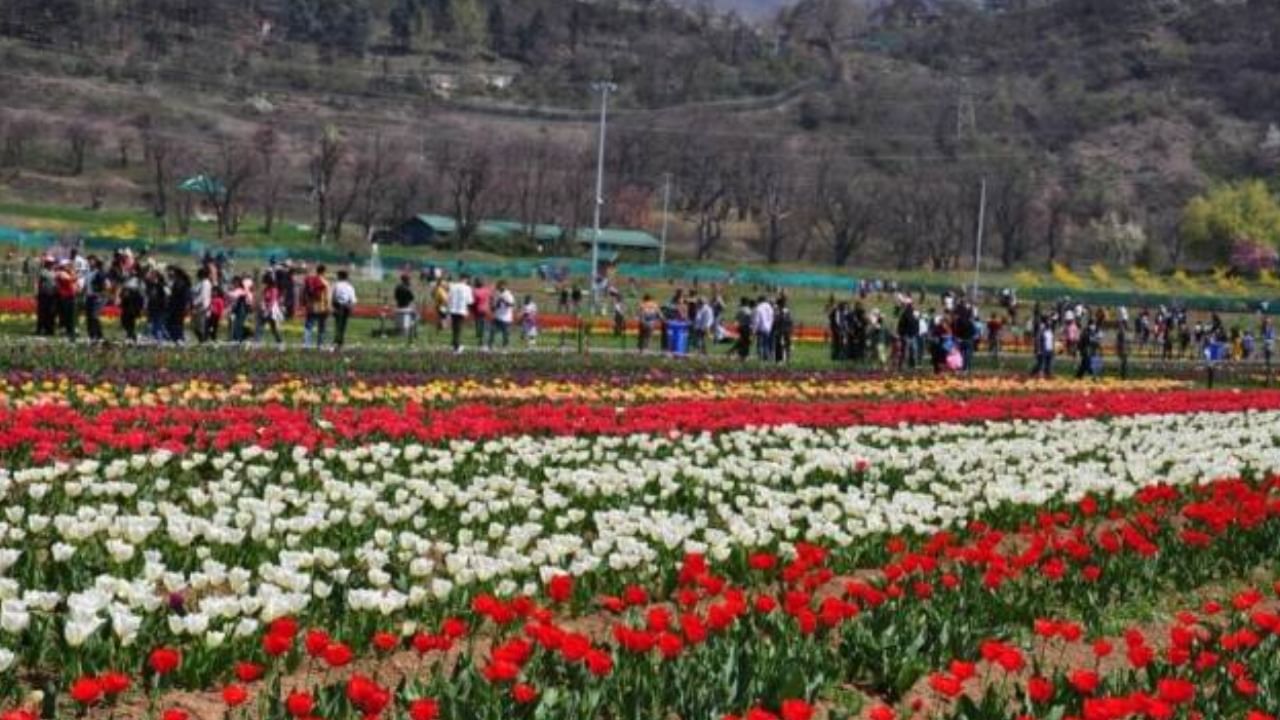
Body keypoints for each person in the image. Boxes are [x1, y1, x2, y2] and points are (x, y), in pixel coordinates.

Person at [302, 264, 332, 348]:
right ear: (324, 271)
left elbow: (305, 293)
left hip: (311, 306)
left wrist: (305, 303)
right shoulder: (325, 282)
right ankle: (320, 345)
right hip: (322, 307)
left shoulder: (311, 280)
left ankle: (306, 345)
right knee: (321, 327)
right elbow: (327, 296)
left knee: (308, 326)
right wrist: (329, 306)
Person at [446, 273, 474, 353]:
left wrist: (448, 309)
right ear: (465, 279)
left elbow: (449, 298)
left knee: (455, 328)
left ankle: (454, 343)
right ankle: (457, 347)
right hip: (461, 310)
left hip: (453, 310)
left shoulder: (453, 286)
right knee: (458, 329)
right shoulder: (467, 288)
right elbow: (470, 301)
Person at [83, 255, 107, 343]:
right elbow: (86, 285)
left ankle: (99, 335)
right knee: (89, 316)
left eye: (91, 260)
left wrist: (101, 295)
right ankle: (91, 335)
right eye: (88, 260)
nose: (89, 262)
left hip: (97, 296)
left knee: (94, 316)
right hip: (89, 296)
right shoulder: (88, 272)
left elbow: (103, 286)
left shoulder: (99, 272)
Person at [256, 272, 284, 346]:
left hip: (271, 312)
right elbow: (262, 298)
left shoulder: (273, 289)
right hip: (264, 310)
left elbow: (272, 300)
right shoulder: (266, 289)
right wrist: (262, 305)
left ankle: (280, 343)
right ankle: (257, 343)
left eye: (266, 281)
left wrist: (267, 310)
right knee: (259, 327)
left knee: (274, 329)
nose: (264, 283)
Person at [165, 265, 191, 343]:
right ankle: (178, 338)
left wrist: (169, 294)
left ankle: (178, 339)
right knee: (177, 323)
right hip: (179, 306)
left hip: (177, 307)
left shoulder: (179, 282)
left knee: (175, 323)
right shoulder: (182, 282)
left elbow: (176, 295)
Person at [331, 270, 357, 349]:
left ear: (340, 276)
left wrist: (332, 305)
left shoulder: (336, 285)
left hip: (338, 305)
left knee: (337, 324)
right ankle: (340, 340)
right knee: (343, 325)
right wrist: (351, 307)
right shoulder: (349, 286)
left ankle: (337, 340)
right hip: (346, 306)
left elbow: (333, 296)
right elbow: (353, 299)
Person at [118, 266, 144, 342]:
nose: (132, 272)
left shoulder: (139, 280)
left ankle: (131, 336)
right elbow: (122, 288)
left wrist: (141, 306)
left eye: (134, 270)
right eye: (131, 270)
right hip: (125, 301)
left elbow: (142, 293)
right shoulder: (126, 279)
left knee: (130, 319)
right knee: (123, 319)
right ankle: (130, 335)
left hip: (134, 302)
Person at [54, 259, 78, 340]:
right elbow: (71, 279)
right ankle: (67, 330)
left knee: (71, 315)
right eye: (67, 265)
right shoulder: (61, 273)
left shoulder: (67, 272)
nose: (69, 266)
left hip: (70, 296)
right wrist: (73, 272)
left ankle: (70, 330)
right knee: (66, 315)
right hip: (65, 297)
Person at [489, 281, 515, 349]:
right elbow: (494, 307)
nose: (499, 287)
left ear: (505, 286)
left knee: (505, 333)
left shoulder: (508, 294)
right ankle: (490, 345)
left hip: (505, 318)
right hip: (497, 316)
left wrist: (503, 300)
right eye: (498, 286)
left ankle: (505, 346)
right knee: (492, 330)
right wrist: (494, 304)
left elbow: (511, 305)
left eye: (501, 286)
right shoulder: (497, 294)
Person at [35, 256, 57, 336]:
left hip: (52, 296)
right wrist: (37, 292)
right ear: (46, 263)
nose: (50, 264)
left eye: (51, 263)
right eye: (49, 263)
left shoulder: (55, 272)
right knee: (42, 313)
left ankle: (50, 330)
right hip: (43, 295)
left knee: (51, 313)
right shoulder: (42, 272)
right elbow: (38, 283)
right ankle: (40, 329)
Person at [229, 276, 254, 344]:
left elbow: (235, 295)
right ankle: (238, 338)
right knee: (237, 324)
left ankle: (239, 338)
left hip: (241, 309)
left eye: (234, 282)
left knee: (238, 324)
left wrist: (228, 293)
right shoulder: (238, 289)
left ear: (238, 282)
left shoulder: (241, 290)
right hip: (238, 309)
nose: (233, 284)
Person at [191, 267, 213, 343]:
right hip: (198, 307)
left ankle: (203, 342)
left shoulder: (206, 283)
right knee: (195, 326)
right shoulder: (200, 282)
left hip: (202, 308)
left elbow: (202, 296)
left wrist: (194, 303)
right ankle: (202, 341)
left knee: (201, 327)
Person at [394, 274, 417, 342]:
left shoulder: (397, 287)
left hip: (398, 306)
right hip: (406, 307)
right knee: (416, 315)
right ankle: (412, 330)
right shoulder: (407, 288)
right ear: (407, 280)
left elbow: (395, 296)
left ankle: (402, 329)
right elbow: (412, 297)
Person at [752, 296, 775, 362]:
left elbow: (756, 320)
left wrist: (754, 329)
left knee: (760, 345)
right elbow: (772, 317)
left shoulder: (759, 308)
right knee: (767, 344)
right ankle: (768, 357)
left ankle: (762, 358)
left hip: (761, 328)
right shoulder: (769, 307)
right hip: (769, 327)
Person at [471, 278, 492, 346]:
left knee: (478, 325)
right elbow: (491, 297)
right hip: (486, 310)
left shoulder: (475, 291)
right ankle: (483, 339)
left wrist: (472, 309)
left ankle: (481, 339)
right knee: (485, 325)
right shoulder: (487, 290)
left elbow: (473, 302)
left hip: (478, 310)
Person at [773, 296, 793, 363]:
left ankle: (782, 359)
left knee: (781, 345)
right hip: (785, 330)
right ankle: (785, 359)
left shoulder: (778, 312)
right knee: (784, 345)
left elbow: (776, 321)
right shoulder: (786, 311)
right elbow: (790, 321)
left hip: (782, 330)